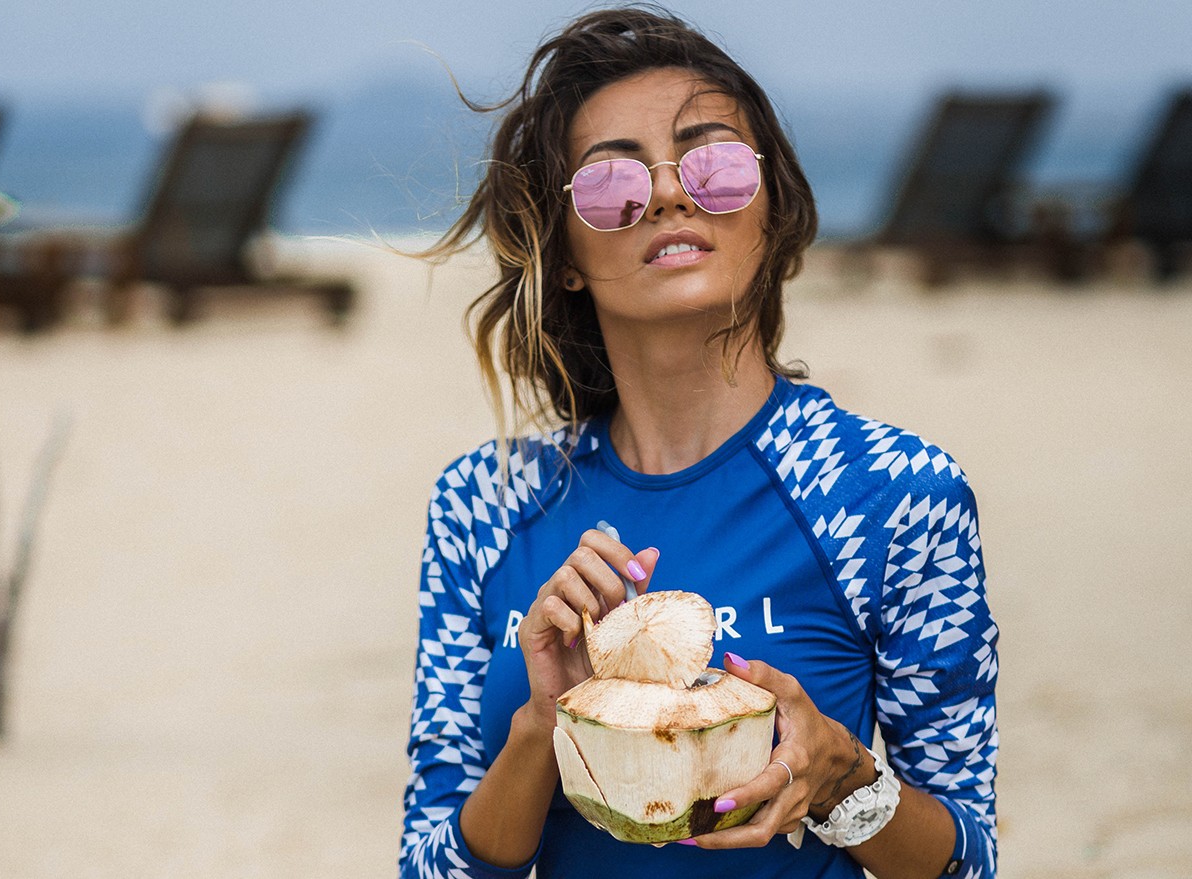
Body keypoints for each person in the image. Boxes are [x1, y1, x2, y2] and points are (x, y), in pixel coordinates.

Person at [399, 7, 997, 879]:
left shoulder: (893, 493)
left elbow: (968, 863)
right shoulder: (484, 503)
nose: (672, 194)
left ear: (772, 206)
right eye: (613, 185)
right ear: (563, 251)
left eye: (713, 164)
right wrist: (543, 725)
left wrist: (843, 777)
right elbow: (428, 863)